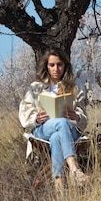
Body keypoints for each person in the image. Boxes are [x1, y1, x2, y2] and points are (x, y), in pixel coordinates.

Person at [19, 48, 89, 189]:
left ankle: (59, 186)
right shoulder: (36, 88)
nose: (56, 68)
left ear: (65, 66)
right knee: (61, 123)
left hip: (68, 131)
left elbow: (83, 117)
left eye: (59, 64)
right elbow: (24, 112)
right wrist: (36, 118)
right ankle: (74, 168)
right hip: (43, 129)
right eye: (52, 65)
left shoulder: (74, 89)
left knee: (57, 136)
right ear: (46, 66)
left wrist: (77, 116)